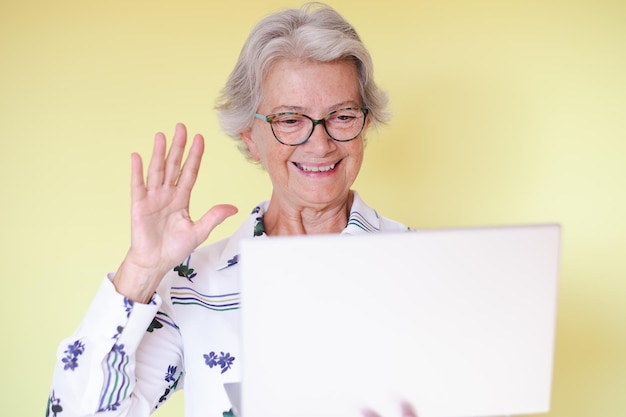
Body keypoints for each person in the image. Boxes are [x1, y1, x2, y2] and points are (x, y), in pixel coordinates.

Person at [46, 2, 415, 417]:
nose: (320, 142)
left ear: (365, 124)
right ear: (251, 137)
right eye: (291, 119)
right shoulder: (193, 285)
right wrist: (142, 270)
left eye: (342, 115)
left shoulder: (425, 264)